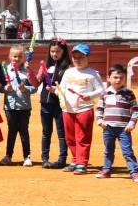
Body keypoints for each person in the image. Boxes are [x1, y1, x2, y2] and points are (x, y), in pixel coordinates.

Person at [59, 43, 105, 175]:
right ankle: (75, 160)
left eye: (80, 57)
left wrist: (89, 96)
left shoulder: (92, 74)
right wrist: (56, 91)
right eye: (75, 57)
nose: (77, 60)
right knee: (70, 138)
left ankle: (82, 162)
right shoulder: (68, 72)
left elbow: (101, 89)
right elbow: (62, 88)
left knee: (82, 137)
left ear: (87, 58)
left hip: (84, 109)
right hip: (67, 109)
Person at [30, 38, 70, 168]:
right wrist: (29, 71)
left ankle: (62, 159)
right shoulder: (45, 66)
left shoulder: (68, 68)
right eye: (52, 51)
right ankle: (45, 159)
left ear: (63, 52)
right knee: (46, 132)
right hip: (46, 103)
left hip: (60, 104)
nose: (54, 54)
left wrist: (56, 90)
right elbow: (36, 83)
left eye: (57, 51)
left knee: (61, 133)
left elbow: (69, 87)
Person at [95, 65, 138, 180]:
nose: (118, 80)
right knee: (108, 150)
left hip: (124, 129)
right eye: (115, 77)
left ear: (125, 78)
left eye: (121, 77)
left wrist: (131, 124)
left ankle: (134, 172)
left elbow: (135, 110)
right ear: (108, 78)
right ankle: (107, 170)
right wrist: (100, 121)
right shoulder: (105, 93)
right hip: (108, 128)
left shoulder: (129, 93)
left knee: (127, 151)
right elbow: (99, 109)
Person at [0, 45, 34, 166]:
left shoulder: (27, 71)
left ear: (24, 57)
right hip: (10, 106)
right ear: (10, 57)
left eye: (20, 56)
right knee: (12, 131)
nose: (17, 59)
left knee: (24, 131)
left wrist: (25, 89)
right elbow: (0, 87)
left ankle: (27, 156)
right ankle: (8, 156)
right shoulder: (5, 70)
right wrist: (4, 88)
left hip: (24, 106)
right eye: (14, 56)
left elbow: (34, 88)